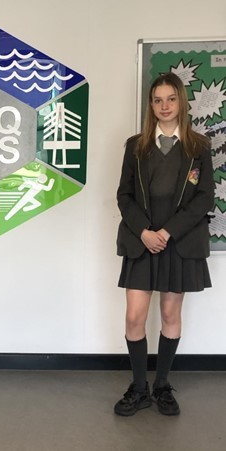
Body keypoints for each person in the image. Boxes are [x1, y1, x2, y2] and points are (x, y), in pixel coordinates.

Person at [114, 73, 214, 416]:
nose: (165, 106)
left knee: (170, 314)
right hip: (141, 242)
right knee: (134, 317)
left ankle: (161, 386)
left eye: (171, 99)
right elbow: (123, 196)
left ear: (181, 102)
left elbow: (204, 198)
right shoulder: (136, 146)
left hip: (179, 243)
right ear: (151, 105)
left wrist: (167, 232)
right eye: (158, 100)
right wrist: (144, 231)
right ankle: (139, 388)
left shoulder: (199, 147)